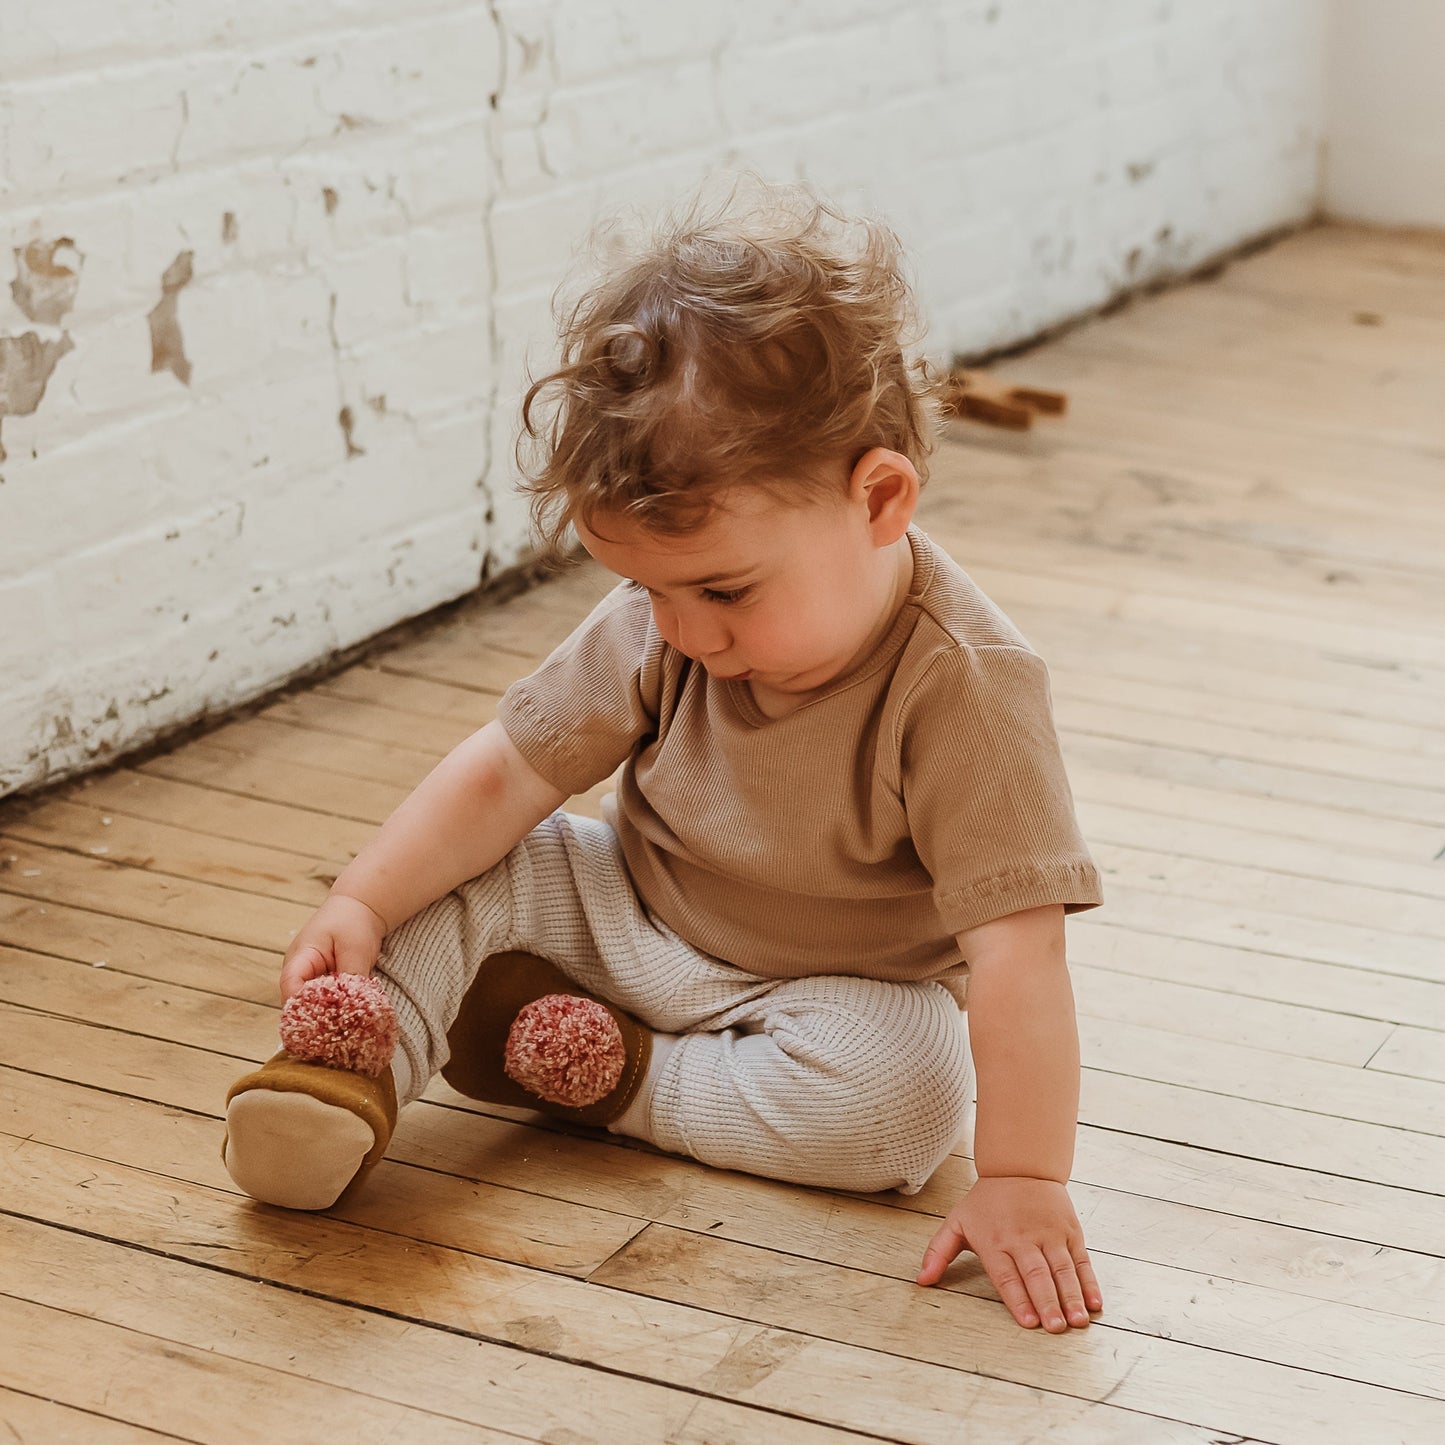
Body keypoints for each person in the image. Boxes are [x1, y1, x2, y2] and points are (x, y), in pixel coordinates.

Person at [222, 182, 1106, 1334]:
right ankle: (346, 1078)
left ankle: (621, 1078)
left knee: (909, 1097)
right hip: (633, 911)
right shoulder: (669, 618)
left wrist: (1025, 1176)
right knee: (484, 865)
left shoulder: (965, 686)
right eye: (646, 588)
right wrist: (362, 894)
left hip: (833, 991)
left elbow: (1017, 958)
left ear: (877, 497)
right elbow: (509, 768)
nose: (683, 630)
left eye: (724, 590)